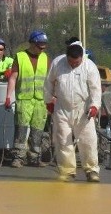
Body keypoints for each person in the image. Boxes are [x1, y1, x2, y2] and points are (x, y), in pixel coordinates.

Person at [44, 39, 103, 183]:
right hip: (62, 108)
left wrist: (94, 106)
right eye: (71, 62)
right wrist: (48, 101)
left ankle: (91, 170)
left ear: (81, 57)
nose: (74, 65)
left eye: (77, 62)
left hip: (83, 109)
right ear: (67, 57)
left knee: (87, 140)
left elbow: (96, 89)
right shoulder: (58, 64)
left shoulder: (89, 67)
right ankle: (67, 171)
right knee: (63, 140)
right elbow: (48, 83)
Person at [4, 30, 49, 168]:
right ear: (32, 43)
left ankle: (34, 157)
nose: (42, 48)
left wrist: (52, 97)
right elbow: (13, 78)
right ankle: (18, 157)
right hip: (24, 99)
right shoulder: (21, 57)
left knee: (37, 130)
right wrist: (8, 96)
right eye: (39, 45)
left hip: (40, 101)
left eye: (44, 46)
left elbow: (50, 79)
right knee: (21, 129)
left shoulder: (45, 58)